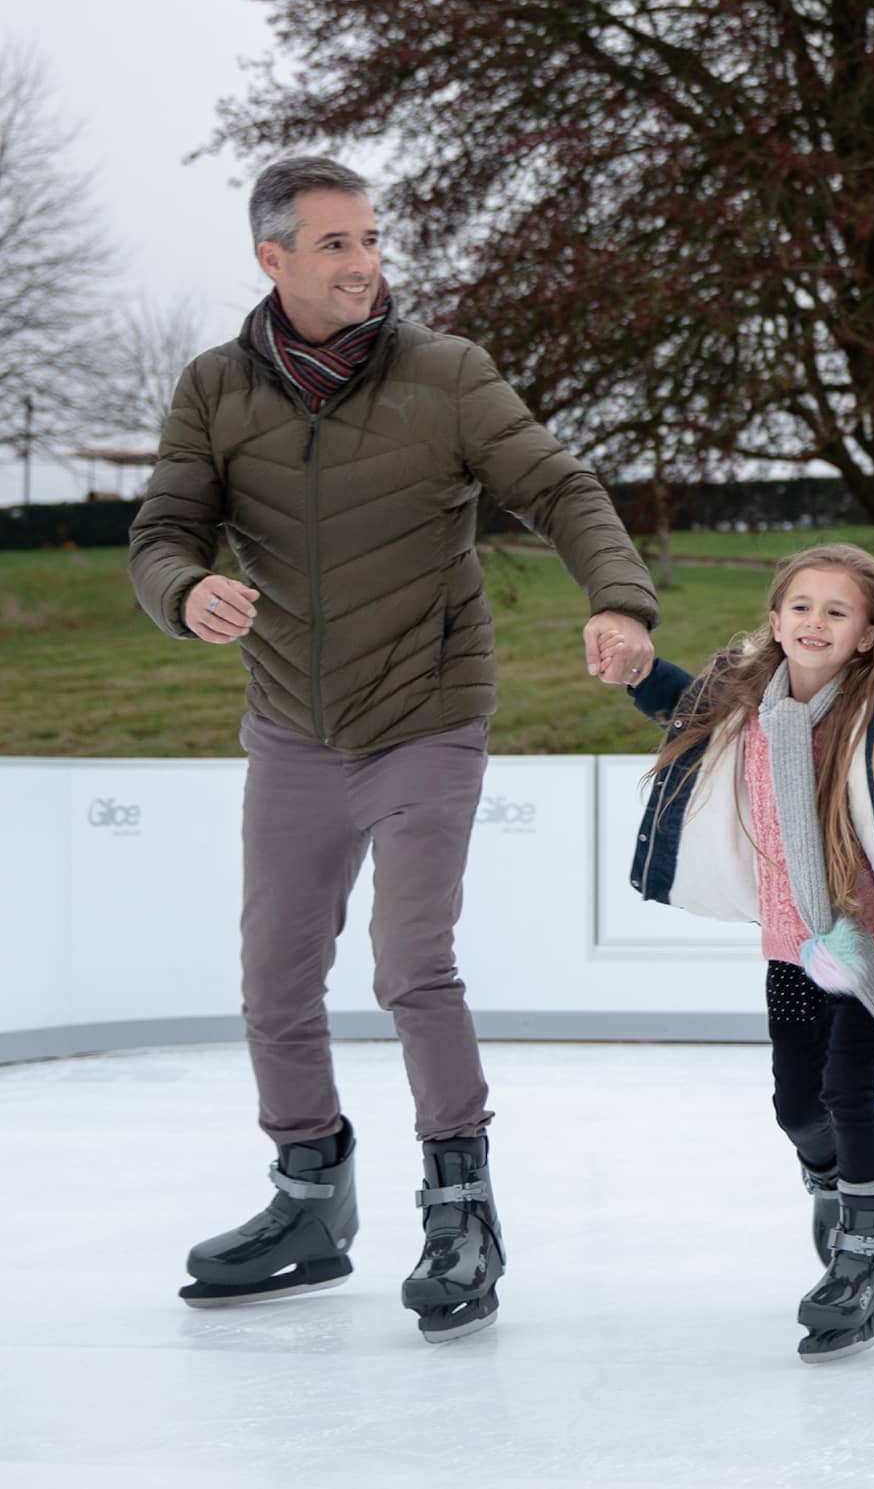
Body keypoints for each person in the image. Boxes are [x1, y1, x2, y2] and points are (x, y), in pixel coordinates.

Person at [129, 155, 658, 1343]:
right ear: (272, 259)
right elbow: (162, 529)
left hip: (425, 705)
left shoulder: (447, 375)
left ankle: (460, 1203)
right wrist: (184, 590)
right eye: (334, 244)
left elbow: (563, 487)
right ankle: (310, 1191)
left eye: (370, 237)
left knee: (412, 958)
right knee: (274, 972)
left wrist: (619, 599)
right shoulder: (216, 388)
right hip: (291, 722)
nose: (365, 260)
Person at [610, 543, 874, 1361]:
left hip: (867, 945)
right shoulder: (746, 701)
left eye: (836, 611)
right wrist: (636, 667)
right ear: (775, 620)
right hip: (791, 946)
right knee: (796, 1105)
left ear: (869, 636)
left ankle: (865, 1252)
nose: (814, 622)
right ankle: (830, 1182)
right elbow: (676, 701)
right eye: (801, 606)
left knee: (847, 1089)